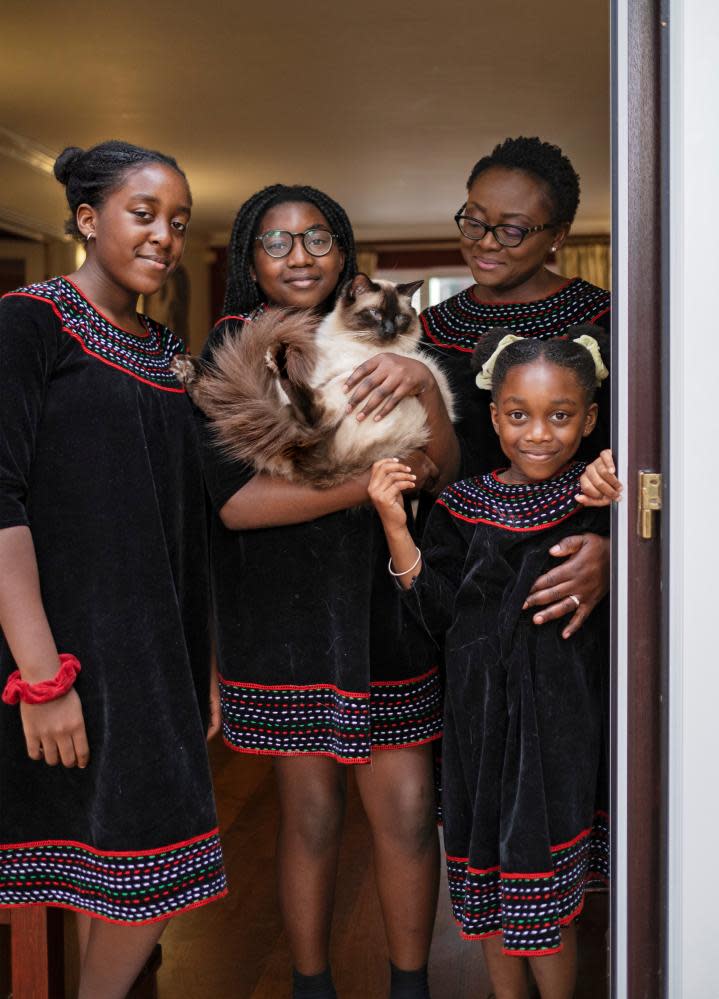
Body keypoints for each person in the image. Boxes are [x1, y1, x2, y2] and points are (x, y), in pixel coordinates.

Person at [200, 184, 459, 999]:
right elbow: (236, 504)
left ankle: (409, 987)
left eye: (317, 238)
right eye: (276, 242)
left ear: (345, 255)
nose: (299, 254)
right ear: (249, 261)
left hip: (389, 604)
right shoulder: (232, 350)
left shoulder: (393, 337)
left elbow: (444, 468)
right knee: (309, 816)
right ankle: (311, 985)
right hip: (286, 616)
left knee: (410, 810)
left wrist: (417, 383)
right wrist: (370, 485)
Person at [0, 141, 226, 999]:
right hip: (65, 654)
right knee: (131, 869)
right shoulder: (30, 322)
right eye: (144, 214)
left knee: (140, 872)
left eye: (178, 220)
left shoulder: (168, 350)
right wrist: (40, 676)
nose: (165, 235)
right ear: (88, 220)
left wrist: (197, 662)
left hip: (152, 659)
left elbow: (185, 524)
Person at [368, 328, 620, 999]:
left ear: (588, 419)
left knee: (543, 905)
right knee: (493, 908)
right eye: (518, 415)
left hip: (558, 734)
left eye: (560, 415)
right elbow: (437, 618)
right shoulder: (461, 506)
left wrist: (611, 520)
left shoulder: (597, 500)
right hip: (478, 735)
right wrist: (396, 526)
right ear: (493, 416)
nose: (537, 433)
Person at [417, 136, 611, 640]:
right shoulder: (427, 332)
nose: (485, 242)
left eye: (513, 230)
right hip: (457, 577)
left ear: (558, 235)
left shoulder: (606, 321)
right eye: (475, 220)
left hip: (563, 574)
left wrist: (617, 549)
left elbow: (646, 464)